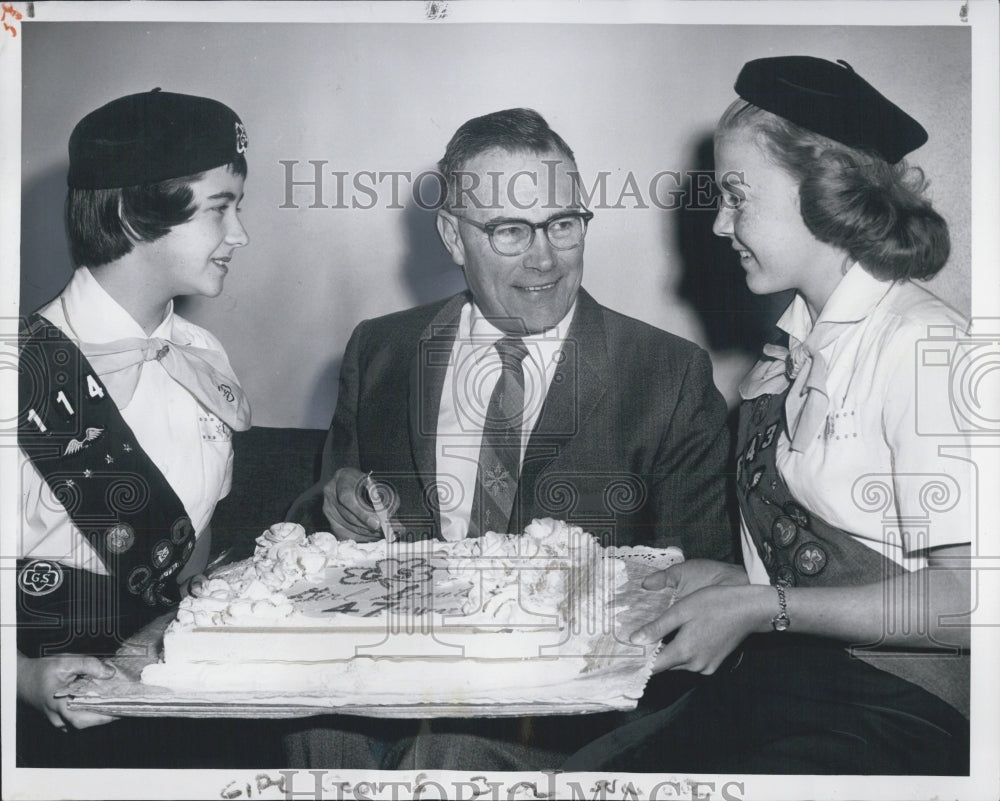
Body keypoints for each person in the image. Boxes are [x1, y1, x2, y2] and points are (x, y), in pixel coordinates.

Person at [284, 107, 735, 769]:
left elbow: (705, 594)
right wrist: (332, 503)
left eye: (562, 223)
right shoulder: (382, 351)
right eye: (510, 231)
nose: (545, 256)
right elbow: (313, 535)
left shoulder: (669, 375)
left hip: (570, 709)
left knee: (453, 753)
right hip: (393, 680)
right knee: (321, 732)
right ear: (452, 234)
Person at [562, 55, 972, 775]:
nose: (720, 223)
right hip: (788, 686)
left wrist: (764, 607)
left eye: (736, 196)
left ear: (823, 191)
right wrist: (714, 581)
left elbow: (967, 601)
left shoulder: (921, 343)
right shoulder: (794, 349)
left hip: (894, 715)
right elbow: (811, 569)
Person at [16, 89, 252, 766]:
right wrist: (24, 679)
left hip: (174, 684)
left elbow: (192, 541)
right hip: (47, 723)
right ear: (132, 213)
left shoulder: (204, 360)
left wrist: (157, 642)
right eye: (220, 208)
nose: (239, 234)